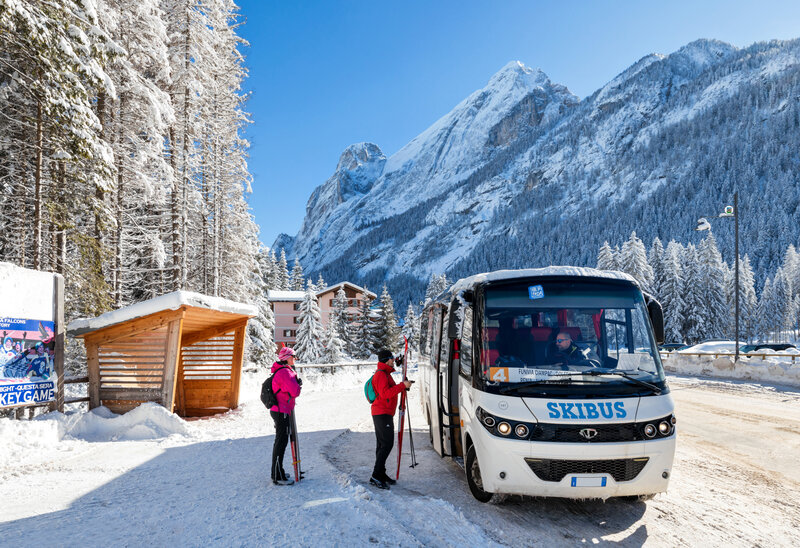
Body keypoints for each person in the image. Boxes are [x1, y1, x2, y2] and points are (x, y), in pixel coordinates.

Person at [369, 348, 413, 490]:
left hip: (384, 413)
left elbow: (391, 390)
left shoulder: (386, 374)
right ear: (386, 360)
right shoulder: (381, 375)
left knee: (382, 445)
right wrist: (402, 386)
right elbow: (385, 394)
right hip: (381, 413)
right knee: (387, 444)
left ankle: (380, 474)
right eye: (392, 358)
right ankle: (376, 475)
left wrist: (403, 386)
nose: (394, 360)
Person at [269, 346, 302, 485]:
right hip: (281, 411)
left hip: (281, 410)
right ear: (287, 358)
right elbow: (295, 392)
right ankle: (277, 474)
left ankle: (278, 471)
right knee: (281, 442)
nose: (294, 359)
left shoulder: (283, 371)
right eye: (293, 356)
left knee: (281, 441)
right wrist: (298, 384)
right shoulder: (285, 373)